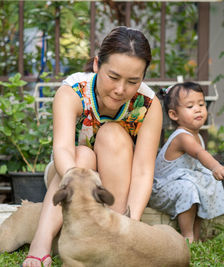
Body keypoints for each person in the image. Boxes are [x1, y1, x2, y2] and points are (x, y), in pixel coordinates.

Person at [23, 26, 163, 267]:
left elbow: (142, 170)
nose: (121, 89)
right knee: (84, 155)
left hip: (115, 187)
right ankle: (41, 243)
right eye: (113, 77)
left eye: (133, 81)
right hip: (67, 178)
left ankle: (115, 234)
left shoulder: (148, 105)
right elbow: (63, 151)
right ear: (97, 65)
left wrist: (132, 226)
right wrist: (76, 182)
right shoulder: (73, 92)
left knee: (112, 134)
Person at [148, 82, 224, 243]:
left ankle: (196, 239)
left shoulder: (197, 137)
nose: (198, 109)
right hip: (161, 191)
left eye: (201, 104)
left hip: (180, 186)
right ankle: (187, 236)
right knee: (189, 187)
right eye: (190, 106)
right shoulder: (182, 137)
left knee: (203, 181)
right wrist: (215, 166)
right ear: (174, 115)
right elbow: (200, 154)